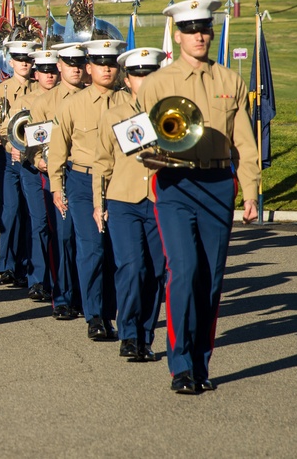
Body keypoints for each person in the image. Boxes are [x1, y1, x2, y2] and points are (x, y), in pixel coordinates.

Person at [136, 0, 259, 394]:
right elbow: (138, 137)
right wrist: (148, 156)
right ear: (178, 35)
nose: (200, 36)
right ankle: (181, 366)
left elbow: (245, 141)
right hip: (175, 186)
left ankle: (202, 363)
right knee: (184, 272)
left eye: (204, 28)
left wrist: (251, 191)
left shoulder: (229, 80)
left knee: (210, 280)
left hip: (219, 185)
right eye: (191, 29)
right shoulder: (157, 83)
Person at [49, 38, 127, 341]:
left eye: (111, 64)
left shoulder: (129, 103)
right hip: (82, 181)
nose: (106, 69)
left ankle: (109, 313)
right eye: (100, 64)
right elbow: (58, 150)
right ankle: (94, 315)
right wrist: (57, 186)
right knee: (91, 247)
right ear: (88, 67)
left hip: (119, 181)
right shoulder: (73, 105)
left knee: (114, 251)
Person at [92, 47, 166, 363]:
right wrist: (99, 203)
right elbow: (102, 162)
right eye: (137, 74)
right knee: (132, 266)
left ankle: (145, 337)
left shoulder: (172, 112)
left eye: (150, 73)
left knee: (157, 271)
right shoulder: (114, 116)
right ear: (127, 79)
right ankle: (129, 334)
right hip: (124, 200)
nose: (143, 79)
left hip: (162, 200)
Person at [29, 43, 88, 319]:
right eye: (69, 62)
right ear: (59, 65)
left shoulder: (94, 98)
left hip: (88, 177)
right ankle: (63, 296)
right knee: (63, 238)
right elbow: (33, 145)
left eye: (80, 62)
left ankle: (86, 296)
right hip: (59, 177)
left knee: (89, 241)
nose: (75, 68)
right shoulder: (44, 103)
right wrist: (39, 160)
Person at [0, 39, 38, 288]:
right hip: (5, 155)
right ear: (10, 62)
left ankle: (25, 265)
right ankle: (7, 264)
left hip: (32, 155)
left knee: (30, 211)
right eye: (19, 60)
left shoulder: (40, 89)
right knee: (10, 210)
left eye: (27, 59)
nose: (24, 63)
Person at [17, 48, 61, 302]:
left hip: (62, 168)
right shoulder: (28, 100)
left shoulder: (67, 98)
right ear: (36, 73)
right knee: (40, 223)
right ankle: (38, 279)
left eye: (53, 70)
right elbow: (21, 136)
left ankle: (59, 279)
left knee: (60, 227)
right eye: (44, 71)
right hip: (35, 169)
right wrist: (36, 159)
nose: (49, 75)